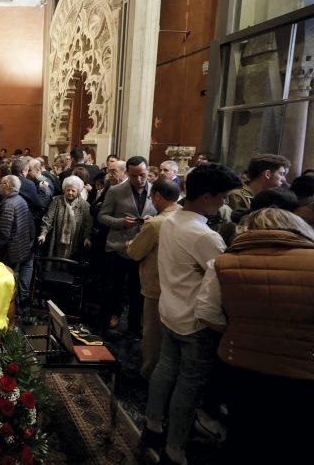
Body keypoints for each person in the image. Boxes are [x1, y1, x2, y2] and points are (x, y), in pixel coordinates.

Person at [140, 163, 241, 465]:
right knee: (189, 385)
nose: (224, 203)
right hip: (194, 320)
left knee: (164, 370)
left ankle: (153, 426)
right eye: (222, 197)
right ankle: (174, 450)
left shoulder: (171, 221)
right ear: (208, 196)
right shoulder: (204, 236)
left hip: (170, 310)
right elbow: (225, 277)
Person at [195, 208, 314, 463]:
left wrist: (235, 330)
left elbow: (206, 311)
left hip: (240, 362)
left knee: (244, 432)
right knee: (297, 437)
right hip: (302, 369)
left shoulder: (223, 262)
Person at [125, 179, 181, 379]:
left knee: (153, 334)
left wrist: (130, 242)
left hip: (156, 285)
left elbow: (135, 251)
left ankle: (149, 373)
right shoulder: (186, 218)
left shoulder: (156, 224)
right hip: (181, 287)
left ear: (157, 196)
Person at [98, 156, 157, 333]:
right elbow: (102, 216)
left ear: (148, 172)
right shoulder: (116, 191)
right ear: (127, 174)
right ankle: (106, 324)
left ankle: (134, 326)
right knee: (113, 289)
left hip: (143, 249)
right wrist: (121, 222)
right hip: (118, 248)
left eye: (143, 175)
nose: (139, 180)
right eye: (134, 176)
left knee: (137, 291)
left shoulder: (155, 191)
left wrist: (153, 220)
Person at [0, 175, 34, 315]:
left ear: (7, 185)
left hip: (10, 252)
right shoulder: (20, 199)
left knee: (8, 287)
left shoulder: (8, 204)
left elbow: (3, 233)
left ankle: (7, 314)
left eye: (1, 183)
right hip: (21, 249)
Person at [37, 175, 92, 262]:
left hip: (75, 240)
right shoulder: (57, 201)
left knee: (71, 264)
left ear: (78, 191)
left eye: (73, 190)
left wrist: (87, 237)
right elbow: (48, 218)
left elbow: (88, 224)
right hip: (57, 239)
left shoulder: (85, 205)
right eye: (68, 190)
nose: (70, 192)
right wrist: (43, 233)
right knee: (55, 263)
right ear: (64, 190)